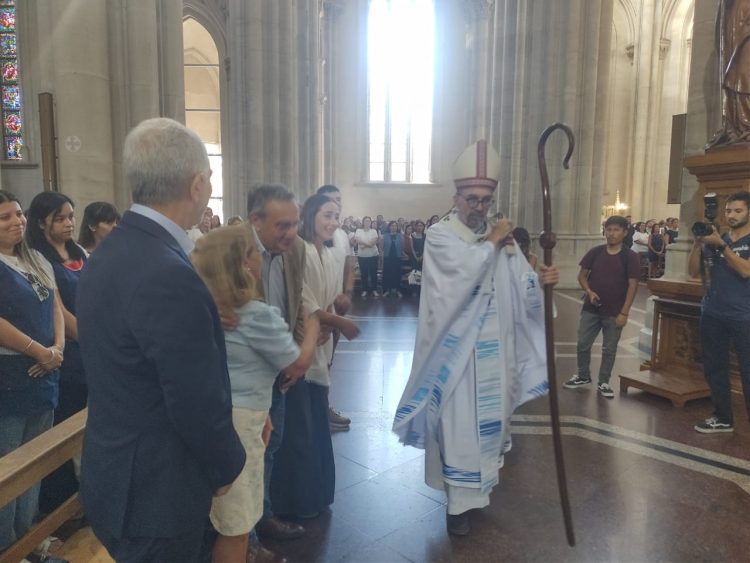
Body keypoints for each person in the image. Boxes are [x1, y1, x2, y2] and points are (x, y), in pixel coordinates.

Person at [76, 117, 245, 562]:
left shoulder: (109, 253)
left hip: (116, 473)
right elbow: (192, 396)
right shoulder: (166, 271)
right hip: (156, 492)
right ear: (196, 185)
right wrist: (226, 465)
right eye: (209, 179)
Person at [392, 140, 559, 536]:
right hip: (457, 357)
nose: (479, 207)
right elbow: (459, 276)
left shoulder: (501, 239)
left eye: (485, 200)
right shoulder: (440, 235)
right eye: (472, 199)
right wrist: (494, 242)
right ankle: (457, 509)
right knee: (460, 429)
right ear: (456, 198)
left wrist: (543, 282)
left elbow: (520, 283)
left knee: (489, 428)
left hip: (495, 355)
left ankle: (478, 497)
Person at [192, 226, 320, 563]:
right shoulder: (255, 314)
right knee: (237, 523)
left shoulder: (203, 308)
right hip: (242, 421)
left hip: (217, 411)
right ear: (245, 264)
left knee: (220, 513)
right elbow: (296, 363)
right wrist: (314, 325)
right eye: (255, 253)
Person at [270, 194, 359, 519]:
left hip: (319, 345)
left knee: (317, 424)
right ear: (311, 215)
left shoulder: (329, 253)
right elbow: (305, 302)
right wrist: (337, 322)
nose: (333, 222)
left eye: (336, 216)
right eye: (327, 215)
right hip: (301, 346)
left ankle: (318, 496)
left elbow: (329, 300)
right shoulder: (302, 251)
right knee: (300, 430)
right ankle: (296, 504)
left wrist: (335, 315)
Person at [245, 184, 309, 550]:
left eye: (295, 223)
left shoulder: (296, 249)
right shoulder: (233, 249)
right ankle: (245, 539)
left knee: (271, 445)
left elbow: (296, 304)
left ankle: (262, 515)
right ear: (256, 220)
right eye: (282, 225)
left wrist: (294, 351)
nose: (291, 233)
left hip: (278, 370)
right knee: (247, 452)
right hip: (244, 374)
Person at [0, 190, 64, 553]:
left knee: (35, 461)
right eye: (5, 217)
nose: (17, 221)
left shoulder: (35, 258)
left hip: (46, 371)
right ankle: (7, 547)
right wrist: (39, 350)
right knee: (9, 466)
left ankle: (29, 539)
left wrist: (58, 348)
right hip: (9, 374)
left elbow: (55, 305)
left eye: (18, 214)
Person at [26, 192, 89, 513]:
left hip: (91, 345)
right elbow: (59, 310)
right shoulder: (39, 257)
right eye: (60, 218)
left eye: (71, 216)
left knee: (89, 431)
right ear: (42, 222)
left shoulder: (79, 252)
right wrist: (93, 338)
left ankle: (87, 498)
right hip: (70, 351)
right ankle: (61, 507)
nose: (69, 223)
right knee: (64, 429)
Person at [688, 191, 750, 433]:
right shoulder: (718, 238)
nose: (731, 215)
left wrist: (721, 246)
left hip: (744, 316)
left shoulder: (723, 242)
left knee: (748, 371)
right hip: (713, 312)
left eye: (738, 211)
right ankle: (723, 417)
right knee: (715, 368)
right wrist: (697, 244)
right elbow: (693, 271)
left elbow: (745, 270)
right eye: (728, 211)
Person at [564, 215, 640, 398]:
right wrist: (589, 291)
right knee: (583, 343)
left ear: (624, 232)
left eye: (616, 230)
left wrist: (624, 312)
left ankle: (604, 381)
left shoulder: (630, 257)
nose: (611, 233)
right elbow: (582, 276)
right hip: (591, 308)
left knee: (609, 348)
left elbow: (633, 285)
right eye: (609, 229)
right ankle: (583, 375)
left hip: (615, 311)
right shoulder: (595, 252)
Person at [315, 185, 355, 431]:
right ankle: (317, 410)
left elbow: (349, 263)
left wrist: (347, 292)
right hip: (318, 308)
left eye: (339, 200)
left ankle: (323, 406)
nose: (336, 204)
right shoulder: (314, 236)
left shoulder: (340, 234)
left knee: (328, 359)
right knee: (315, 360)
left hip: (336, 306)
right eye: (331, 200)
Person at [355, 216, 380, 297]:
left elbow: (373, 243)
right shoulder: (358, 230)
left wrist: (364, 245)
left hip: (373, 256)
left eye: (369, 221)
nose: (367, 222)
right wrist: (368, 244)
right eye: (366, 221)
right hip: (362, 256)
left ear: (371, 222)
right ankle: (364, 290)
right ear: (363, 222)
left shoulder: (373, 231)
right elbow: (358, 240)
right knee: (364, 274)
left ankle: (374, 290)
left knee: (373, 274)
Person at [381, 220, 404, 297]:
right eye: (392, 226)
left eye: (395, 226)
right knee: (387, 274)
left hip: (397, 257)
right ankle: (387, 290)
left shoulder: (400, 236)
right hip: (388, 257)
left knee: (397, 274)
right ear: (389, 227)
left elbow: (402, 247)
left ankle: (398, 290)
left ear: (397, 227)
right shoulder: (385, 236)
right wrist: (381, 257)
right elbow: (381, 247)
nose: (394, 227)